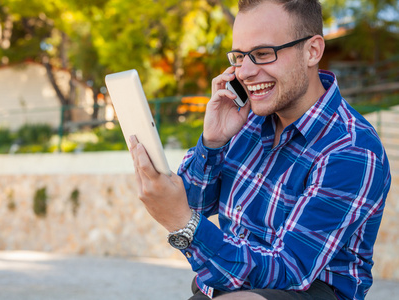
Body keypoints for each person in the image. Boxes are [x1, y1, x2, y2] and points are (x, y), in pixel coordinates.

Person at [129, 0, 391, 299]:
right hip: (226, 285)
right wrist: (212, 143)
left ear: (313, 51)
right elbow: (193, 205)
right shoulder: (247, 120)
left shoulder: (351, 149)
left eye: (263, 54)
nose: (245, 72)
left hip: (305, 291)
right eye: (240, 57)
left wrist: (182, 223)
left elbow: (288, 270)